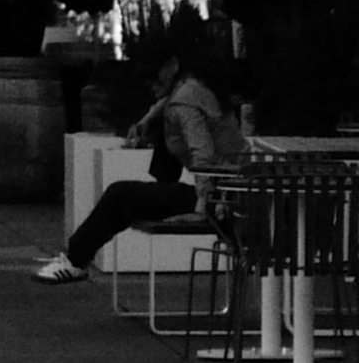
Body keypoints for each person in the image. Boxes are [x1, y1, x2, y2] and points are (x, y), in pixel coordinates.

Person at [32, 52, 243, 281]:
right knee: (157, 148)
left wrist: (204, 201)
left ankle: (75, 261)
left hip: (220, 202)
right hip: (235, 194)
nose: (152, 87)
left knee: (120, 194)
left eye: (155, 80)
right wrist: (145, 121)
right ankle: (77, 256)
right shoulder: (196, 87)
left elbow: (202, 154)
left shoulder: (183, 100)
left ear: (172, 66)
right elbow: (169, 104)